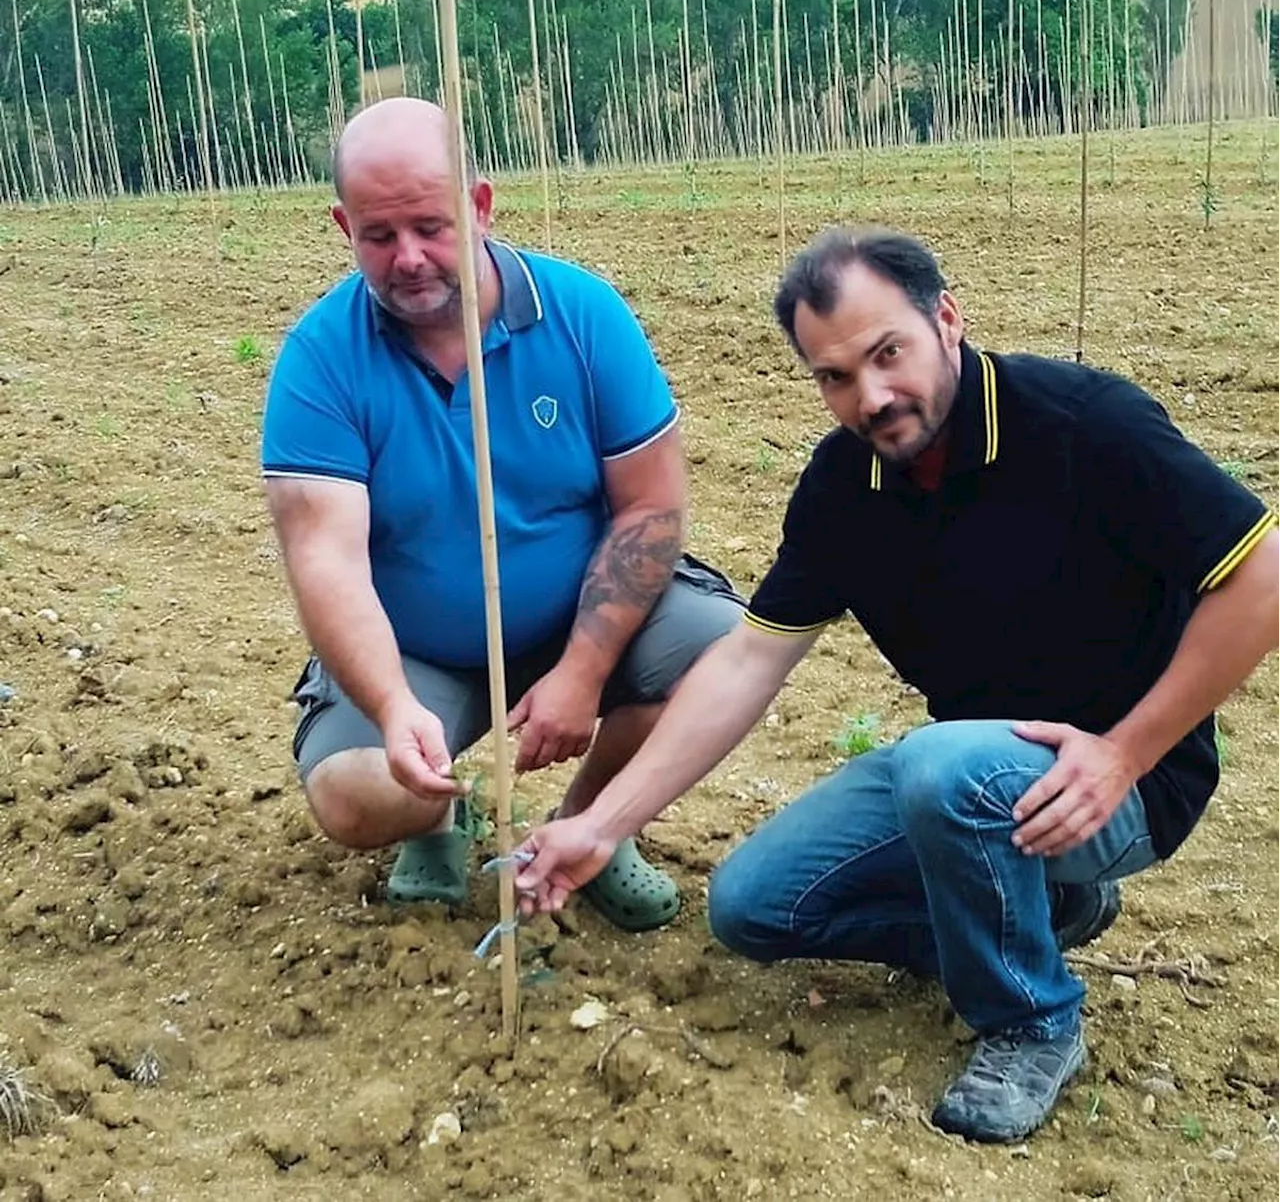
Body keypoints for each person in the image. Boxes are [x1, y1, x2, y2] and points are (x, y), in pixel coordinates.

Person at [515, 226, 1280, 1142]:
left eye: (889, 354)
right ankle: (1040, 912)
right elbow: (749, 661)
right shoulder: (846, 488)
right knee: (753, 906)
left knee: (940, 768)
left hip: (1123, 783)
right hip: (972, 777)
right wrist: (601, 826)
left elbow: (1262, 574)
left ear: (946, 320)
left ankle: (1031, 1019)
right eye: (835, 377)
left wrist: (1126, 752)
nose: (871, 397)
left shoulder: (1085, 427)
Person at [260, 98, 741, 926]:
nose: (409, 257)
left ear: (480, 205)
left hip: (578, 620)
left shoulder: (584, 317)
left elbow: (652, 510)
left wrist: (584, 673)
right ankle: (439, 814)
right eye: (379, 236)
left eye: (432, 226)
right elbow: (326, 559)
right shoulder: (320, 358)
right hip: (419, 654)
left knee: (720, 657)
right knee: (356, 796)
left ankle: (587, 831)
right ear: (344, 226)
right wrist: (391, 706)